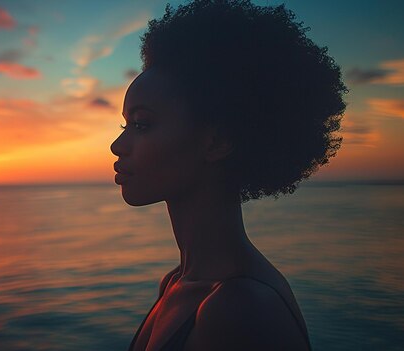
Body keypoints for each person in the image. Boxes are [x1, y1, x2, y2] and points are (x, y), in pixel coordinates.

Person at [110, 1, 346, 350]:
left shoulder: (241, 309)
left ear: (217, 141)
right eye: (125, 125)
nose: (117, 145)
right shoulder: (177, 283)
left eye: (142, 125)